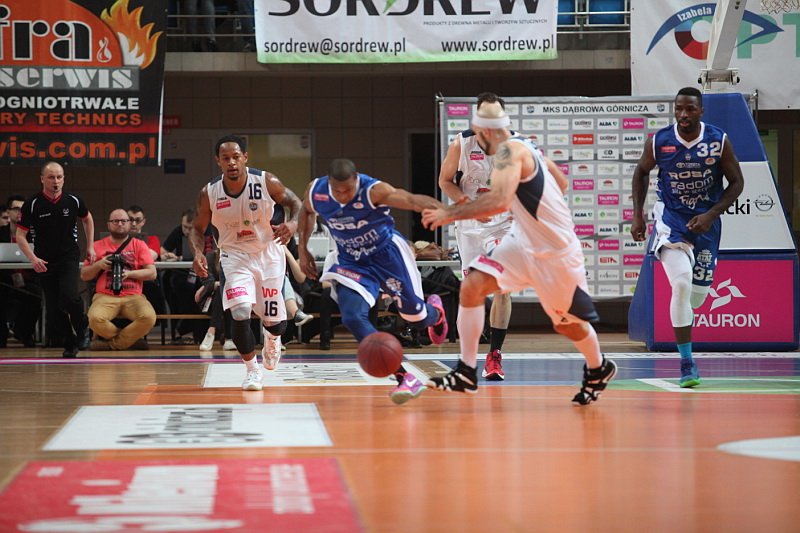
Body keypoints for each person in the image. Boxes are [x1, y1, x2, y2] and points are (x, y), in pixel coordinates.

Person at [422, 102, 618, 405]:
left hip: (554, 251)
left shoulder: (509, 152)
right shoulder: (526, 145)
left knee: (566, 323)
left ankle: (598, 367)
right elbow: (561, 182)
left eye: (478, 133)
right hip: (522, 242)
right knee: (472, 286)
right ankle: (466, 371)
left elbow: (499, 201)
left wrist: (450, 213)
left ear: (485, 132)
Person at [296, 158, 449, 406]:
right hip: (351, 260)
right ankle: (404, 377)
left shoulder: (373, 191)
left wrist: (450, 211)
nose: (343, 196)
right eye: (337, 191)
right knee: (352, 317)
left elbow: (411, 200)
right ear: (329, 184)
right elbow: (305, 210)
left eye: (348, 190)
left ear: (356, 180)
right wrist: (303, 249)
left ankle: (436, 313)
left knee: (416, 318)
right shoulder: (317, 191)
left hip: (387, 255)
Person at [630, 87, 744, 388]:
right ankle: (686, 363)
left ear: (701, 111)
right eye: (679, 108)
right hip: (672, 220)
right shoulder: (659, 141)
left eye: (690, 109)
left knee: (697, 297)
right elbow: (641, 172)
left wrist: (711, 215)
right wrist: (638, 215)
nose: (683, 114)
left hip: (705, 223)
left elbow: (737, 182)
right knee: (680, 285)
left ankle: (689, 321)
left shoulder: (718, 140)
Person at [190, 135, 302, 391]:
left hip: (268, 254)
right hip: (234, 256)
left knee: (276, 324)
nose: (232, 162)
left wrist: (293, 223)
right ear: (218, 161)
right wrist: (197, 253)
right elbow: (197, 228)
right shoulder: (209, 193)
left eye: (236, 157)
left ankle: (272, 338)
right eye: (226, 158)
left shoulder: (266, 181)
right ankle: (252, 371)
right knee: (239, 312)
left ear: (245, 158)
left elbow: (296, 203)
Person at [438, 92, 514, 381]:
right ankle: (466, 359)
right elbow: (445, 181)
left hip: (503, 225)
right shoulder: (461, 143)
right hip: (470, 225)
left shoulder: (516, 146)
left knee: (502, 288)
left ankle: (494, 357)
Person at [17, 162, 95, 358]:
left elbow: (87, 219)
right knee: (53, 307)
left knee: (69, 295)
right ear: (42, 179)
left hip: (68, 255)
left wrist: (91, 246)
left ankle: (82, 327)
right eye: (51, 177)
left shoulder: (73, 200)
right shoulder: (32, 204)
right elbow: (20, 235)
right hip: (44, 259)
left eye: (59, 177)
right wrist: (33, 258)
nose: (56, 181)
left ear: (64, 179)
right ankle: (70, 343)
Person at [80, 209, 157, 350]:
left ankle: (112, 345)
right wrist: (99, 264)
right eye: (115, 221)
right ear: (109, 224)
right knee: (93, 319)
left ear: (129, 224)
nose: (120, 224)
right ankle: (130, 342)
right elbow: (84, 275)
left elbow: (152, 273)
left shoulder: (139, 245)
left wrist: (130, 274)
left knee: (149, 317)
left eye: (123, 221)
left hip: (134, 296)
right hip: (105, 295)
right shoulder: (97, 246)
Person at [1, 196, 42, 348]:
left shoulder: (33, 234)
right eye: (16, 209)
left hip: (28, 279)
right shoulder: (1, 233)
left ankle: (24, 333)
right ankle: (2, 335)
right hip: (4, 280)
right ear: (8, 212)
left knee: (36, 296)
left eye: (23, 209)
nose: (20, 213)